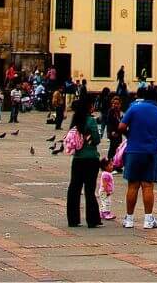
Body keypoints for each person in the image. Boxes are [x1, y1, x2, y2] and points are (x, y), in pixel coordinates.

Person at [119, 87, 157, 230]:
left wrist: (130, 136)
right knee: (148, 186)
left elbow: (121, 126)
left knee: (133, 185)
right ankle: (148, 220)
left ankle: (129, 219)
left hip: (134, 151)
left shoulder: (134, 109)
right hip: (151, 152)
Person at [65, 95, 102, 229]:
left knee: (74, 188)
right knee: (89, 189)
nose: (93, 107)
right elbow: (97, 139)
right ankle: (92, 220)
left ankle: (73, 219)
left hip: (78, 159)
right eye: (92, 105)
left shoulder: (75, 120)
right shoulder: (91, 121)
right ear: (88, 107)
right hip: (91, 158)